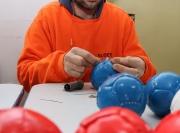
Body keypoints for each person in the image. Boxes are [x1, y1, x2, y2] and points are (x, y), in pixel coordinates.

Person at [17, 0, 156, 93]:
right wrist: (59, 66)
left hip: (110, 111)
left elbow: (149, 74)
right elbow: (24, 74)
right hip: (58, 111)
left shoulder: (122, 19)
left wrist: (143, 72)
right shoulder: (47, 17)